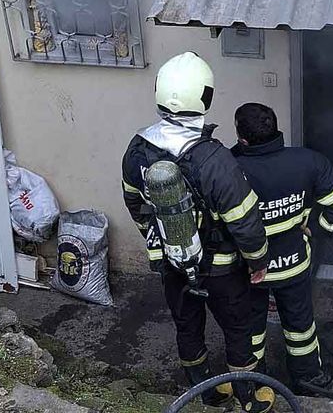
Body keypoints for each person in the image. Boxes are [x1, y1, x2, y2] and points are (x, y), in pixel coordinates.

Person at [121, 53, 275, 412]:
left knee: (187, 326)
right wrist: (257, 261)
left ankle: (206, 394)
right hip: (220, 268)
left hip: (171, 264)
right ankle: (248, 399)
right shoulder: (215, 159)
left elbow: (134, 203)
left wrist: (157, 238)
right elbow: (244, 220)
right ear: (205, 98)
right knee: (237, 330)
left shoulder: (138, 148)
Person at [231, 102, 333, 392]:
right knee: (300, 326)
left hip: (249, 269)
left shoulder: (228, 168)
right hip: (294, 264)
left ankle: (252, 382)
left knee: (250, 329)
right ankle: (308, 379)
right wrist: (318, 228)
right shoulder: (308, 161)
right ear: (275, 128)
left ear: (242, 137)